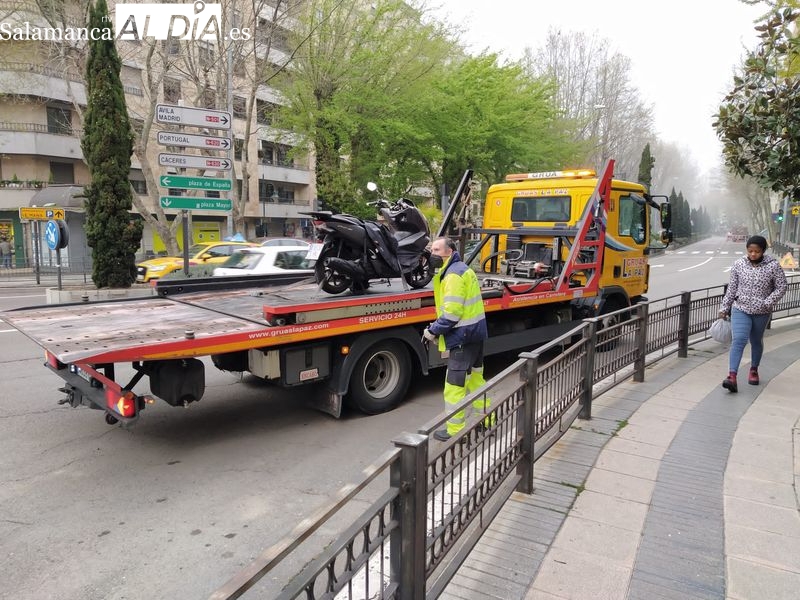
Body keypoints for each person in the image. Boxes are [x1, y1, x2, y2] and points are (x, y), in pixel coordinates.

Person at [423, 237, 491, 441]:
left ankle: (456, 431)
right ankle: (486, 419)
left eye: (436, 250)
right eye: (432, 249)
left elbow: (452, 313)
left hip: (462, 337)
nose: (432, 254)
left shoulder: (452, 275)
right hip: (475, 335)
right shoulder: (464, 268)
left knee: (454, 387)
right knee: (477, 380)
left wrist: (432, 331)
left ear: (449, 251)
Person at [719, 235, 787, 393]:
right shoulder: (738, 264)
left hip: (761, 311)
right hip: (740, 308)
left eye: (757, 251)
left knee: (756, 341)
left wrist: (768, 302)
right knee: (739, 340)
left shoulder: (773, 266)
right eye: (750, 251)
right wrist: (724, 307)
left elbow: (782, 286)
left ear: (763, 250)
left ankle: (754, 369)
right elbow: (732, 288)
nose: (753, 254)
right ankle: (732, 377)